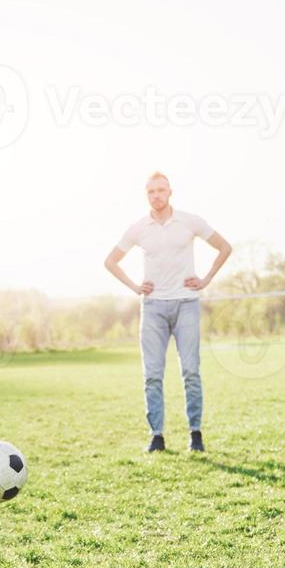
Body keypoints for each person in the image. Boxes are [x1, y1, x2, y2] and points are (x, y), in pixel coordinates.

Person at [104, 172, 232, 452]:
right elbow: (111, 261)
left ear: (170, 192)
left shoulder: (190, 221)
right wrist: (135, 286)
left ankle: (195, 434)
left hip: (186, 303)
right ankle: (157, 436)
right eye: (151, 192)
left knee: (191, 372)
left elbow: (224, 247)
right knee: (152, 374)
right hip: (153, 308)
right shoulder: (139, 228)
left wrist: (206, 279)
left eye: (161, 190)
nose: (156, 195)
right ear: (146, 195)